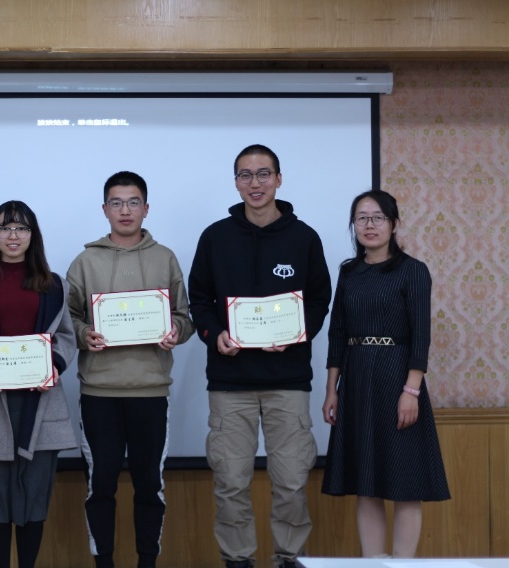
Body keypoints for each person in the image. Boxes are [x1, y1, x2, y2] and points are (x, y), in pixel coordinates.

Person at [188, 144, 332, 568]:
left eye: (264, 174)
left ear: (279, 179)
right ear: (236, 182)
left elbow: (319, 300)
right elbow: (199, 299)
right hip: (230, 384)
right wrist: (215, 335)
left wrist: (296, 333)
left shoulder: (304, 238)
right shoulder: (215, 237)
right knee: (231, 484)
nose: (255, 183)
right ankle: (237, 560)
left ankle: (289, 559)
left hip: (288, 382)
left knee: (291, 483)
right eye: (246, 175)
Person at [66, 171, 194, 568]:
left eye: (133, 202)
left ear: (146, 208)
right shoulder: (85, 261)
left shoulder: (164, 258)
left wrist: (176, 331)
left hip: (150, 391)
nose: (125, 210)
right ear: (104, 209)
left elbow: (184, 316)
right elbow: (67, 318)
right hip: (99, 392)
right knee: (100, 486)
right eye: (117, 203)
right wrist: (84, 334)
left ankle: (146, 562)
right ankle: (103, 562)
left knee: (149, 486)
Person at [321, 189, 450, 558]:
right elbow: (338, 333)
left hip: (397, 379)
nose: (370, 225)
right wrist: (332, 389)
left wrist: (411, 391)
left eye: (378, 217)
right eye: (361, 218)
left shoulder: (413, 270)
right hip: (356, 379)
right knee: (367, 484)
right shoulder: (349, 272)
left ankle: (403, 565)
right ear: (353, 225)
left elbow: (421, 337)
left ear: (394, 224)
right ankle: (373, 564)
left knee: (404, 483)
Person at [0, 200, 78, 568]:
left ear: (32, 235)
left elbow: (66, 336)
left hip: (41, 402)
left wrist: (53, 365)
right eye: (4, 227)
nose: (13, 235)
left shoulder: (55, 284)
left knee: (34, 494)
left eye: (21, 228)